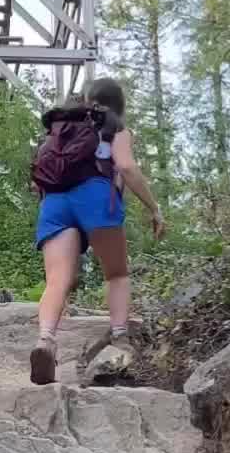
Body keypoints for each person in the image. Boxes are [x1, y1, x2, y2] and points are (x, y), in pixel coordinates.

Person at [29, 77, 165, 386]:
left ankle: (46, 340)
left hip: (54, 203)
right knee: (116, 273)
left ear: (87, 98)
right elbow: (127, 167)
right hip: (96, 197)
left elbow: (38, 178)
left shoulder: (61, 128)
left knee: (57, 280)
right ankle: (119, 337)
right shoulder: (114, 127)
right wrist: (154, 208)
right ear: (120, 105)